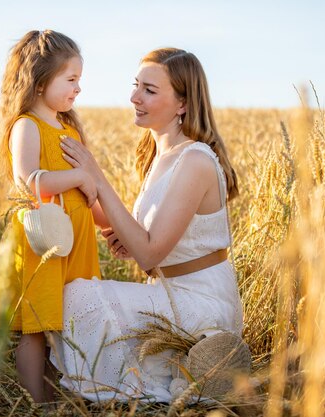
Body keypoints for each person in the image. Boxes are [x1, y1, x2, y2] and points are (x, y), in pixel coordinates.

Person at [51, 47, 244, 402]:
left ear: (182, 104)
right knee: (75, 297)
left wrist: (96, 175)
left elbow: (149, 253)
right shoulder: (161, 157)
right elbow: (138, 233)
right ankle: (176, 373)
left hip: (199, 301)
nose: (134, 97)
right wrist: (64, 182)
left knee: (79, 296)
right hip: (170, 293)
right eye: (136, 85)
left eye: (150, 90)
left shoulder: (195, 160)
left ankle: (192, 365)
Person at [0, 29, 107, 404]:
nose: (78, 89)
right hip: (46, 243)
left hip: (77, 242)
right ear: (40, 82)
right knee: (38, 327)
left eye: (79, 80)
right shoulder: (27, 126)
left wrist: (107, 225)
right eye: (71, 79)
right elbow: (29, 182)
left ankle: (62, 394)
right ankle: (36, 402)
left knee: (71, 323)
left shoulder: (68, 127)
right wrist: (79, 176)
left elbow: (88, 193)